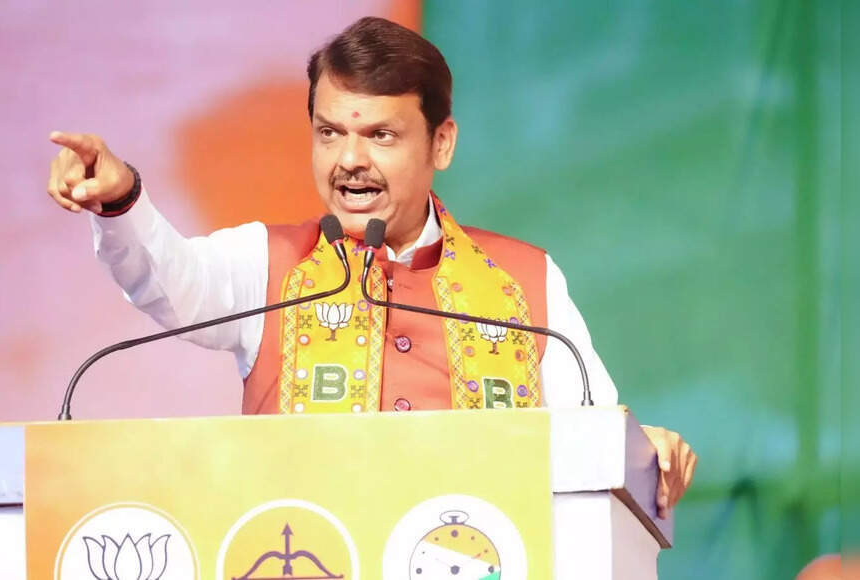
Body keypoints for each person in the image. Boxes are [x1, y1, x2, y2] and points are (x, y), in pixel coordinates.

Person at [44, 16, 696, 517]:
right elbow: (169, 281)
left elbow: (595, 435)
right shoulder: (270, 265)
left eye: (380, 135)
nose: (349, 161)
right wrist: (121, 201)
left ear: (441, 142)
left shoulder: (524, 280)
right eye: (329, 133)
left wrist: (644, 453)